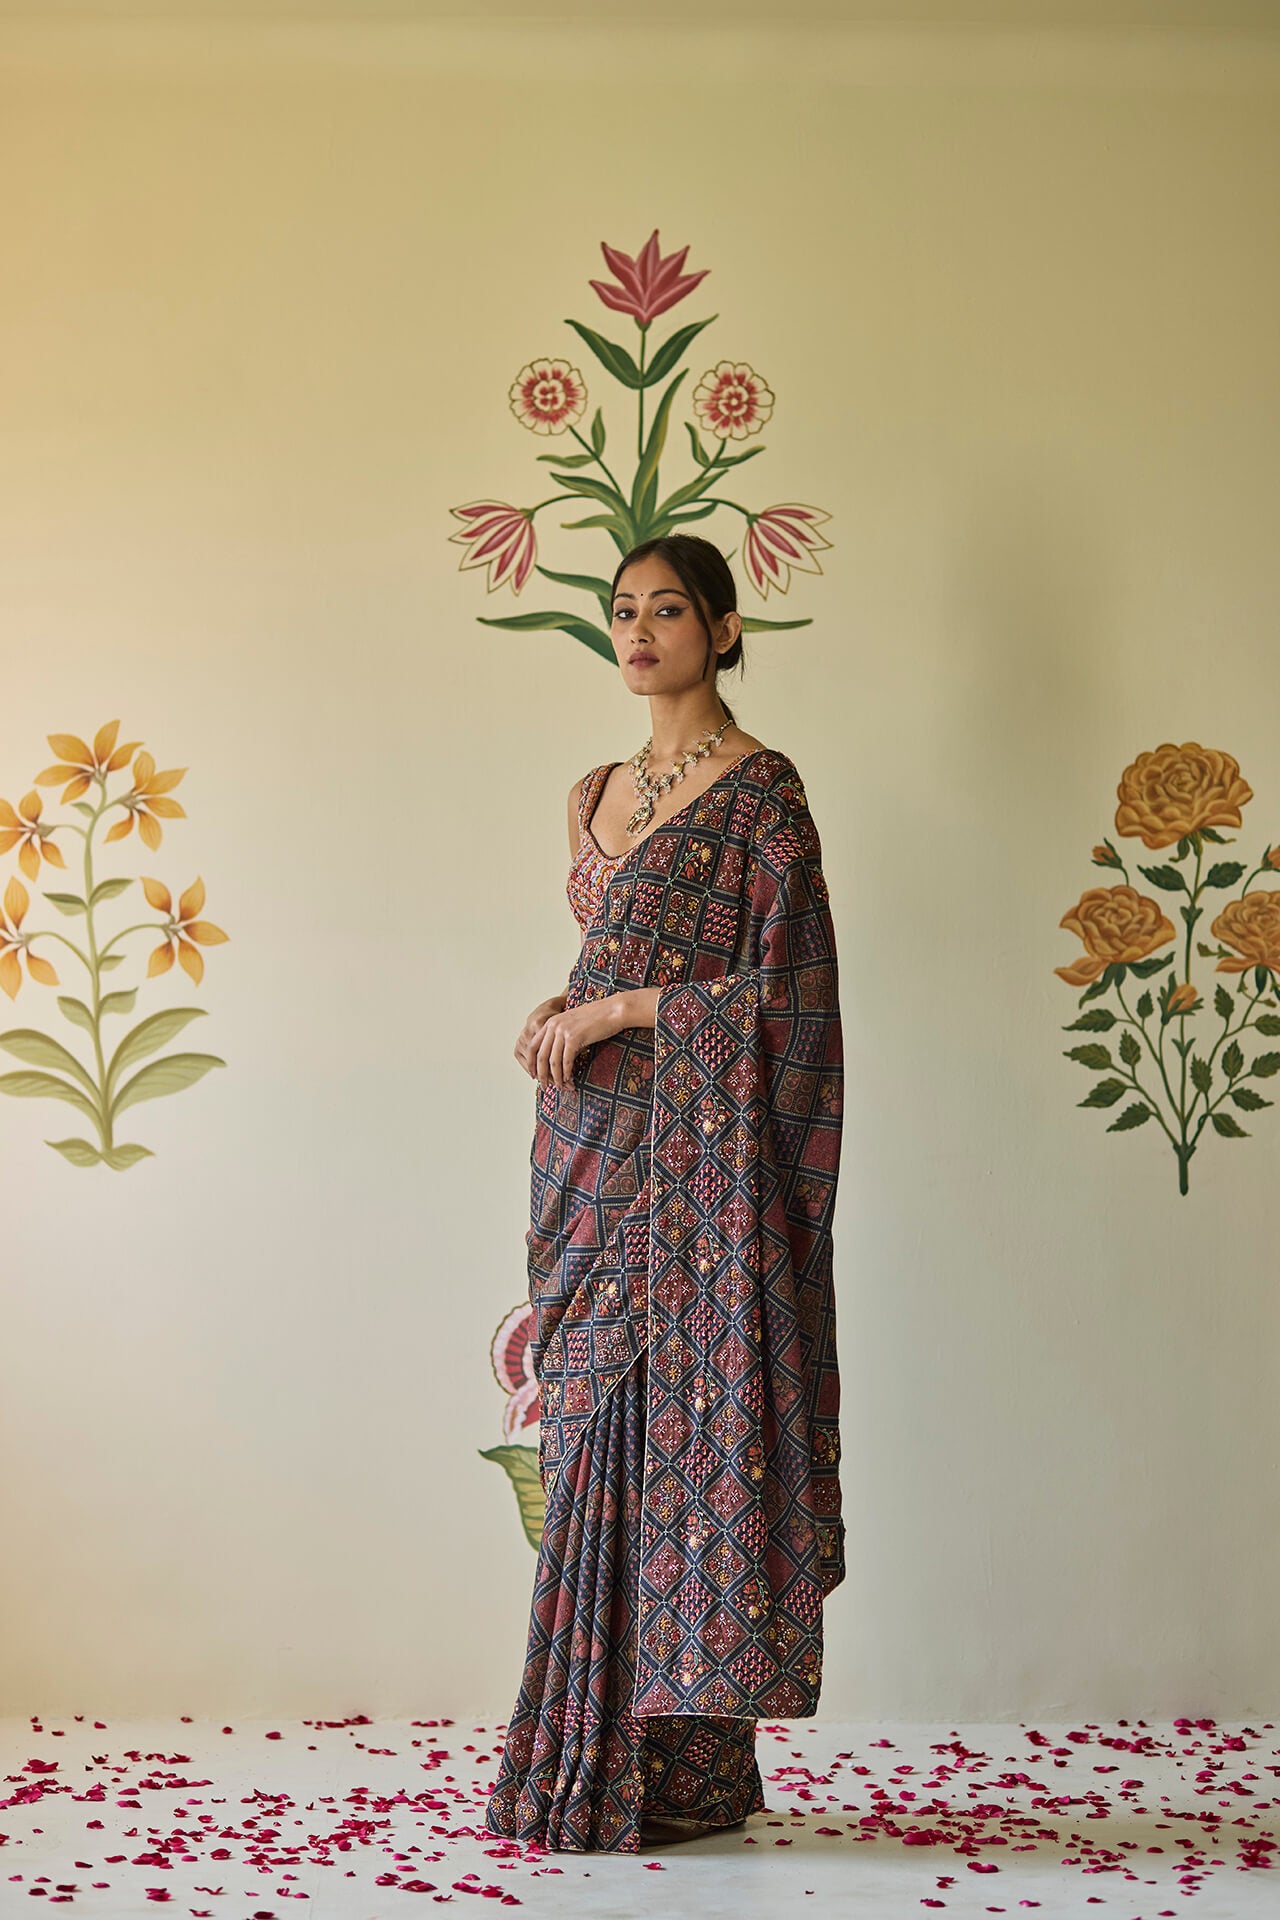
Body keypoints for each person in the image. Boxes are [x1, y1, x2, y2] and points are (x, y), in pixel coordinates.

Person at [483, 533, 846, 1854]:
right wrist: (564, 1009)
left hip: (701, 1173)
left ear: (723, 629)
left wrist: (631, 1008)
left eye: (668, 611)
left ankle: (664, 1775)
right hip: (586, 1148)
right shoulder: (592, 789)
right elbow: (605, 953)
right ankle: (592, 1755)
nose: (639, 633)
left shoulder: (764, 793)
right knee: (585, 1430)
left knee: (677, 1437)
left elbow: (793, 998)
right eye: (623, 612)